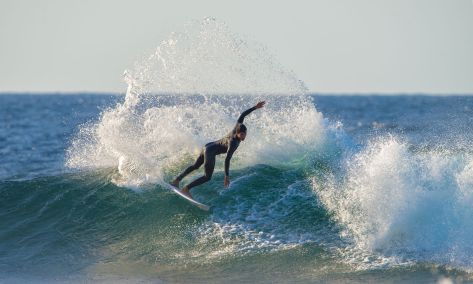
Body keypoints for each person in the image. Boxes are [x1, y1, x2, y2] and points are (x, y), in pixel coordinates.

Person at [171, 101, 266, 198]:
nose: (243, 136)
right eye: (241, 135)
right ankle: (186, 189)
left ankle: (176, 180)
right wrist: (226, 176)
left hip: (208, 146)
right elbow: (227, 159)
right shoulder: (233, 142)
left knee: (196, 166)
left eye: (244, 134)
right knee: (207, 177)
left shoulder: (238, 127)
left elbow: (243, 115)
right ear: (237, 133)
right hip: (210, 151)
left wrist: (255, 107)